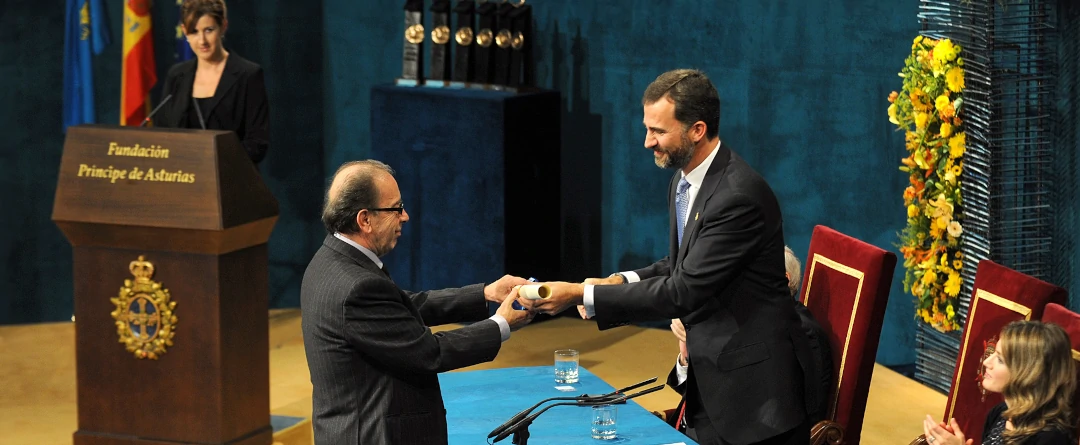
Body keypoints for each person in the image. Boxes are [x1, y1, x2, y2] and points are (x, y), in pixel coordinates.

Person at [536, 69, 813, 445]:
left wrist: (580, 295)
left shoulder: (738, 196)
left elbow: (684, 289)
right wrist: (621, 281)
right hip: (712, 386)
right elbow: (683, 262)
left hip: (753, 405)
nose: (648, 142)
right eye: (647, 128)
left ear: (697, 130)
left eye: (659, 131)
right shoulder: (685, 181)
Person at [301, 160, 534, 445]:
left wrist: (485, 293)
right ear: (365, 219)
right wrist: (501, 324)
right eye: (396, 208)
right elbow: (429, 353)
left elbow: (401, 307)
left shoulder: (329, 260)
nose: (406, 216)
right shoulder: (358, 286)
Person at [922, 321, 1076, 445]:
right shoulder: (1000, 413)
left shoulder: (1051, 438)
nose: (987, 362)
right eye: (994, 353)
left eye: (1000, 359)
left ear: (1029, 373)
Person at [154, 0, 270, 164]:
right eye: (194, 32)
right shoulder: (176, 76)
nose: (202, 41)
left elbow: (257, 143)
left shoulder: (248, 75)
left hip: (231, 181)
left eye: (209, 30)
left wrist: (214, 164)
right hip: (181, 179)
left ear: (223, 26)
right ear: (184, 32)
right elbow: (162, 134)